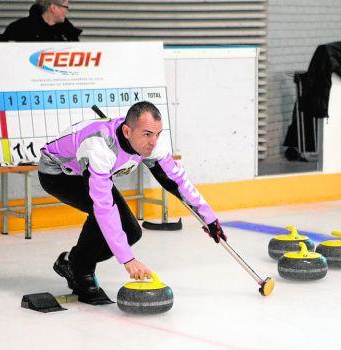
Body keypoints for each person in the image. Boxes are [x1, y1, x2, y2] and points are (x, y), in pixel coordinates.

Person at [38, 101, 227, 305]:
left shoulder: (149, 142)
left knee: (131, 232)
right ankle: (80, 270)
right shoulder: (99, 146)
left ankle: (73, 262)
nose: (153, 142)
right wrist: (128, 260)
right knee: (100, 214)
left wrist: (209, 219)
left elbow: (176, 180)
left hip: (89, 173)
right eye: (147, 134)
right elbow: (104, 208)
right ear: (127, 131)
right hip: (58, 174)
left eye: (157, 134)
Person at [2, 0, 82, 42]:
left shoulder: (68, 32)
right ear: (53, 8)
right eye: (65, 7)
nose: (66, 11)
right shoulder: (19, 29)